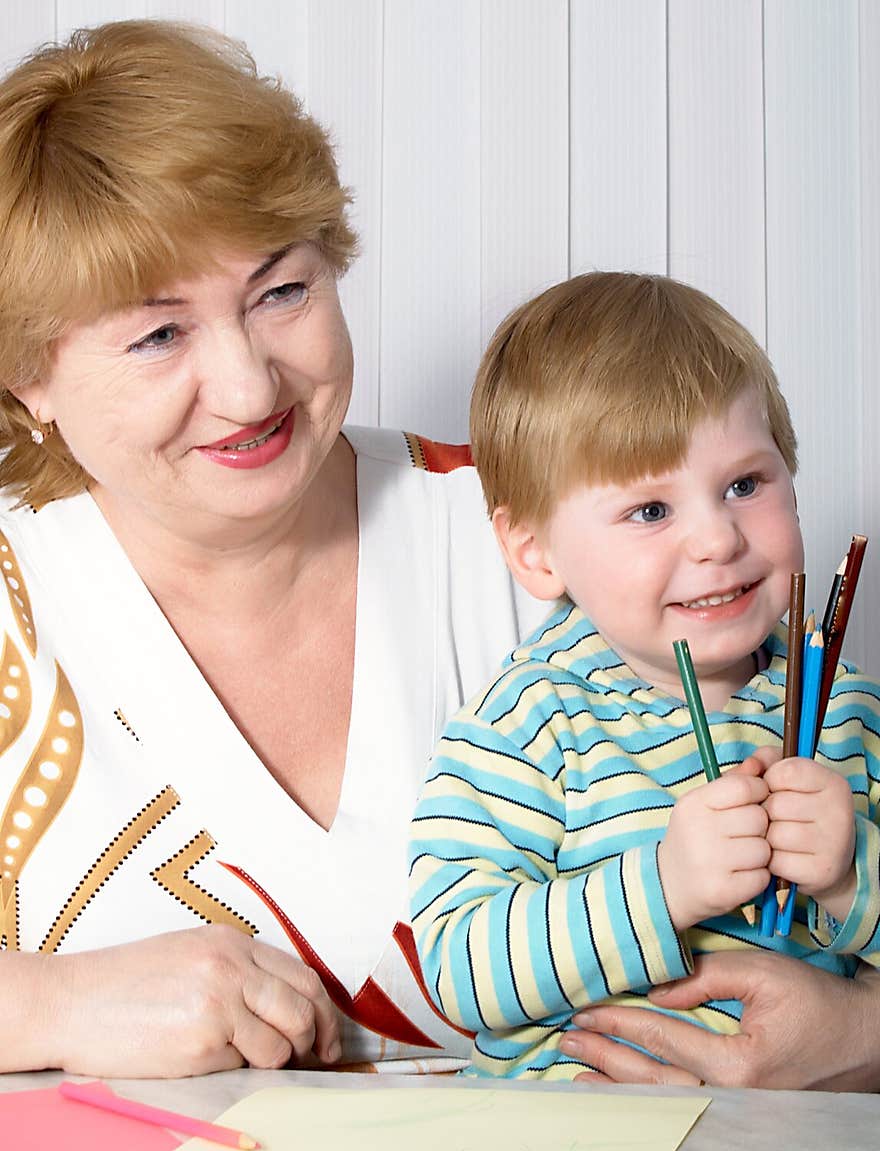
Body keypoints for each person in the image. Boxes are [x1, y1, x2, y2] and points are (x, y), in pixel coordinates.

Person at [1, 20, 878, 1093]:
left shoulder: (570, 535)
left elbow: (821, 856)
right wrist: (49, 1004)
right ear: (26, 381)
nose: (247, 388)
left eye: (283, 291)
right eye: (157, 335)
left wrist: (854, 1038)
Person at [408, 271, 880, 1082]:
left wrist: (850, 876)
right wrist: (662, 887)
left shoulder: (846, 709)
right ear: (535, 552)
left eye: (744, 484)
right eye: (650, 510)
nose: (717, 539)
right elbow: (458, 967)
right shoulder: (530, 723)